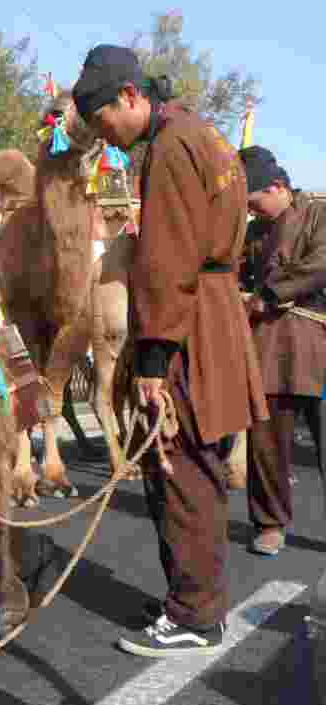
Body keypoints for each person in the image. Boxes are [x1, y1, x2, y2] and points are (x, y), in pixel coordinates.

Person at [72, 45, 268, 658]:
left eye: (103, 120)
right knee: (201, 470)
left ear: (130, 96)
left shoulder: (168, 150)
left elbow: (166, 260)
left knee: (177, 466)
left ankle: (192, 615)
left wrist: (152, 361)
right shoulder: (203, 134)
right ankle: (200, 601)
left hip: (187, 325)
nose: (105, 135)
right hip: (213, 313)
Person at [239, 146, 326, 556]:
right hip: (269, 347)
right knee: (266, 443)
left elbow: (320, 263)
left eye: (256, 202)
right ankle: (270, 522)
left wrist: (269, 294)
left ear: (277, 187)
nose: (253, 212)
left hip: (318, 347)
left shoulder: (320, 215)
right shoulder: (254, 232)